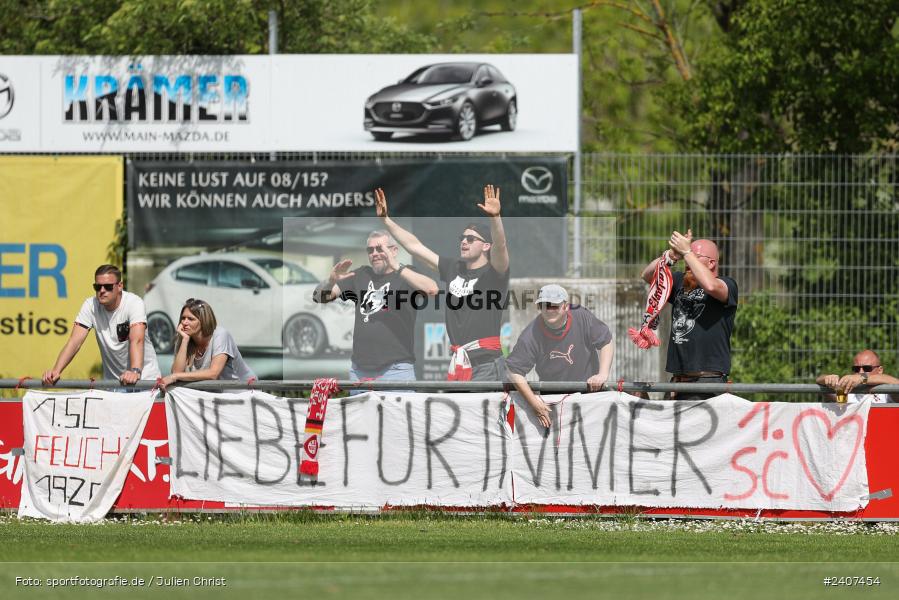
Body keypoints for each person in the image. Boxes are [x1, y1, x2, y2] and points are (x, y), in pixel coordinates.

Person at [376, 185, 510, 381]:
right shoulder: (453, 267)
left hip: (486, 367)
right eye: (462, 238)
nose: (464, 241)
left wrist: (495, 217)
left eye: (471, 239)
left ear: (486, 246)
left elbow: (501, 246)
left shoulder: (494, 273)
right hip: (459, 362)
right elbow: (415, 247)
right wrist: (386, 220)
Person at [314, 229, 439, 385]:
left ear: (394, 251)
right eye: (370, 250)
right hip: (359, 372)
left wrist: (397, 267)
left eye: (380, 248)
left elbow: (432, 289)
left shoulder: (407, 275)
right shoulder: (360, 275)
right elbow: (320, 297)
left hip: (396, 370)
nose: (374, 253)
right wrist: (330, 282)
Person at [641, 230, 737, 400]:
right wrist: (672, 255)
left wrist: (687, 252)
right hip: (677, 383)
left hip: (707, 383)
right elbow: (648, 275)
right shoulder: (680, 282)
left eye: (695, 256)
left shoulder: (727, 285)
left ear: (711, 263)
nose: (687, 262)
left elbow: (711, 286)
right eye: (687, 256)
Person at [505, 284, 613, 428]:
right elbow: (513, 371)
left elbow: (606, 341)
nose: (549, 310)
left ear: (565, 307)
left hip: (588, 397)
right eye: (545, 305)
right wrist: (534, 403)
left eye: (554, 305)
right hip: (552, 403)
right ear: (539, 308)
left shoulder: (581, 316)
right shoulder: (531, 334)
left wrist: (602, 374)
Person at [42, 264, 161, 386]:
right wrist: (56, 370)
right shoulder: (90, 305)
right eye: (97, 287)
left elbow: (137, 340)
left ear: (120, 286)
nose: (102, 290)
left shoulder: (134, 303)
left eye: (108, 286)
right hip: (115, 384)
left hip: (145, 381)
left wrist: (135, 371)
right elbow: (74, 341)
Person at [160, 298, 255, 387]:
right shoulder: (184, 337)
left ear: (203, 321)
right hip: (215, 395)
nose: (184, 322)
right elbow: (176, 372)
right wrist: (184, 340)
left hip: (244, 391)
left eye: (190, 319)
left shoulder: (220, 335)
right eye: (183, 318)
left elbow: (213, 373)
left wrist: (176, 376)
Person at [816, 349, 898, 403]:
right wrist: (828, 378)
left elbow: (896, 383)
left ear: (880, 370)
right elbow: (819, 380)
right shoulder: (848, 393)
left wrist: (863, 378)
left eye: (867, 368)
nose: (861, 372)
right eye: (856, 368)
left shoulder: (886, 394)